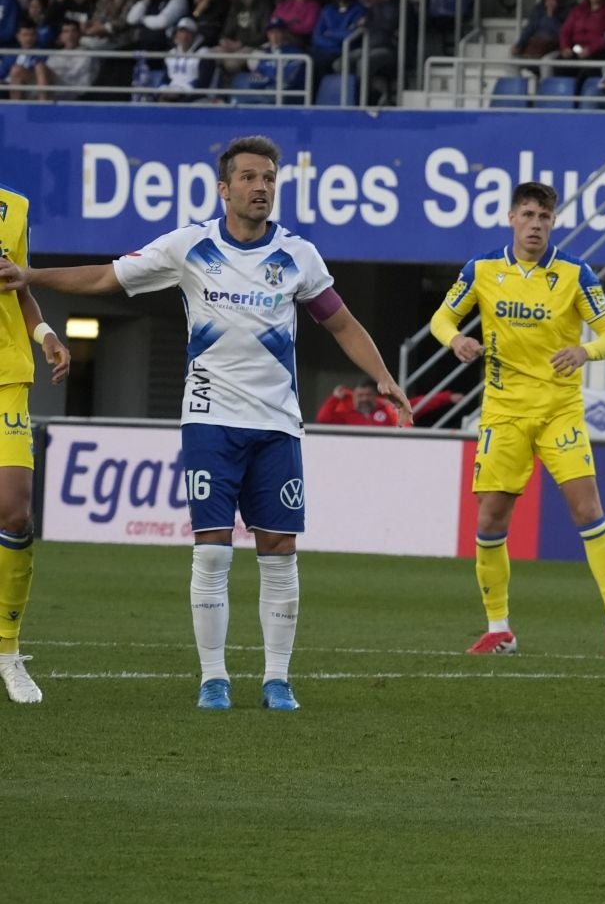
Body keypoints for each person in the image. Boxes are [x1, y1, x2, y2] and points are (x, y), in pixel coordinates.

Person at [0, 136, 410, 712]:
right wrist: (33, 278)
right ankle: (213, 678)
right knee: (213, 548)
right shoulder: (189, 246)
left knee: (279, 547)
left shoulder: (299, 255)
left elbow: (340, 323)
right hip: (210, 420)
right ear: (225, 189)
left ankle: (276, 679)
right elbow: (106, 279)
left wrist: (384, 375)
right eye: (248, 177)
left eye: (268, 177)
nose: (260, 186)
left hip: (277, 426)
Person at [431, 181, 605, 658]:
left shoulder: (574, 274)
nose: (535, 224)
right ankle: (499, 628)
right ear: (511, 218)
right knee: (491, 518)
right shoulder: (482, 271)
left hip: (560, 411)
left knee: (588, 510)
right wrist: (454, 341)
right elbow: (442, 319)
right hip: (503, 413)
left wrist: (585, 350)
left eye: (544, 216)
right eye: (527, 215)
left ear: (553, 221)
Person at [0, 185, 71, 704]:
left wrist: (45, 334)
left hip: (6, 378)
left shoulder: (15, 207)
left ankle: (7, 651)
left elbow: (18, 284)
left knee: (15, 512)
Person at [316, 380, 403, 428]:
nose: (364, 399)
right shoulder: (346, 416)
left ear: (375, 396)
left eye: (368, 395)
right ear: (354, 397)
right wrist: (335, 398)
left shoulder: (387, 411)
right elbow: (323, 419)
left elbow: (403, 426)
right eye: (360, 395)